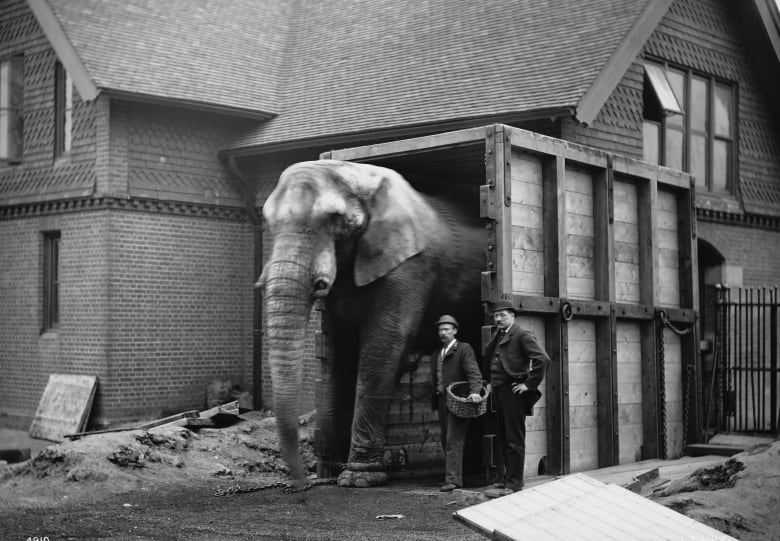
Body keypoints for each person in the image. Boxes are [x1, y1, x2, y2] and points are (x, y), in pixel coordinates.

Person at [483, 300, 549, 495]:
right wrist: (488, 381)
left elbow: (542, 359)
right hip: (499, 392)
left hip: (514, 393)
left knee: (514, 439)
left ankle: (515, 483)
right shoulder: (499, 334)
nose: (498, 319)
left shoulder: (522, 334)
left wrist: (528, 385)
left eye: (502, 315)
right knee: (503, 438)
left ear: (512, 316)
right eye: (496, 315)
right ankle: (506, 479)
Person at [430, 314, 483, 492]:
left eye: (446, 329)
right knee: (446, 440)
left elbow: (473, 372)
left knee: (454, 440)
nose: (443, 332)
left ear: (455, 331)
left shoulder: (463, 349)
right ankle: (453, 476)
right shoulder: (437, 353)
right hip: (442, 401)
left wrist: (475, 392)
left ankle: (453, 480)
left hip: (459, 400)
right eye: (440, 329)